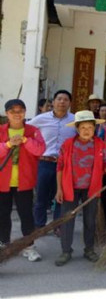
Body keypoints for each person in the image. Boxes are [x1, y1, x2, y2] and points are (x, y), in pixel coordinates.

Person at [54, 110, 106, 266]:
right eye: (82, 127)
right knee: (67, 220)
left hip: (91, 189)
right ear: (77, 128)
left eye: (89, 127)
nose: (86, 130)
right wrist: (59, 189)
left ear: (94, 128)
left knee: (90, 220)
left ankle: (89, 249)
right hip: (70, 188)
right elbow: (60, 167)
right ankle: (66, 251)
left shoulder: (100, 145)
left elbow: (104, 164)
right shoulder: (68, 144)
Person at [0, 99, 46, 261]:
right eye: (13, 111)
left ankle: (29, 246)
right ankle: (4, 245)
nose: (17, 114)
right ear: (7, 114)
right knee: (2, 215)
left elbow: (40, 149)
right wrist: (7, 145)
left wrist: (26, 141)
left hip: (24, 182)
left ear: (25, 112)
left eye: (20, 110)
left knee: (26, 215)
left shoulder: (32, 130)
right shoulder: (1, 131)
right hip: (3, 182)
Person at [28, 90, 76, 230]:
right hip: (44, 163)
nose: (62, 102)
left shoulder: (74, 121)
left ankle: (57, 226)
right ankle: (39, 226)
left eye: (65, 99)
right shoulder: (41, 119)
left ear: (70, 103)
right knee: (40, 197)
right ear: (53, 102)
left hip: (65, 165)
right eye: (59, 99)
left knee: (61, 198)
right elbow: (27, 131)